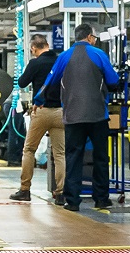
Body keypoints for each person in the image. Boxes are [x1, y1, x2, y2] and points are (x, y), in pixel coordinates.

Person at [37, 23, 121, 211]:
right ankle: (100, 198)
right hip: (98, 115)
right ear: (90, 37)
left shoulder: (64, 57)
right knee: (101, 158)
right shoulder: (99, 54)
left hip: (72, 116)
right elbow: (113, 80)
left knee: (73, 157)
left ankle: (72, 201)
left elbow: (49, 81)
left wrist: (38, 99)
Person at [10, 35, 64, 202]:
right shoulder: (60, 61)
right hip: (60, 112)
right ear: (48, 45)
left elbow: (22, 82)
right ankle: (61, 194)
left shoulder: (35, 63)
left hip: (41, 111)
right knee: (60, 154)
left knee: (29, 150)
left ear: (34, 48)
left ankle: (25, 190)